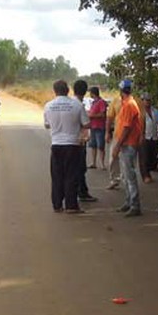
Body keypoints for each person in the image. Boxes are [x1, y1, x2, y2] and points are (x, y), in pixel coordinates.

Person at [43, 80, 90, 214]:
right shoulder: (76, 105)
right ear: (68, 90)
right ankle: (71, 205)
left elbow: (47, 125)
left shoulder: (48, 106)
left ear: (54, 90)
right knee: (71, 175)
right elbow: (86, 124)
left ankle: (57, 204)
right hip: (72, 143)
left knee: (57, 175)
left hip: (56, 143)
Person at [113, 79, 143, 217]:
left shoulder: (129, 105)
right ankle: (129, 202)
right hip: (128, 143)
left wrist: (117, 146)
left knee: (130, 176)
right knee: (126, 175)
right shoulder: (128, 104)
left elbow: (126, 128)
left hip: (128, 144)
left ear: (121, 91)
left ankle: (135, 205)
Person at [139, 92, 158, 183]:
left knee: (153, 156)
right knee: (144, 157)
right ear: (142, 101)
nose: (148, 102)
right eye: (146, 100)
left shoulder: (155, 111)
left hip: (154, 136)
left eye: (149, 100)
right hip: (144, 136)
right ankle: (145, 175)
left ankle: (149, 171)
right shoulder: (139, 112)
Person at [87, 86, 107, 170]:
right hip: (93, 126)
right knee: (93, 145)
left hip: (99, 126)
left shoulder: (101, 102)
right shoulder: (93, 102)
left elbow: (103, 114)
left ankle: (102, 164)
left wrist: (92, 115)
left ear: (93, 93)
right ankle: (94, 162)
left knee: (100, 146)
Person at [105, 96, 122, 189]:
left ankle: (127, 180)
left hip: (131, 136)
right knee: (113, 157)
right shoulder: (116, 100)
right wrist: (107, 132)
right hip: (117, 134)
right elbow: (110, 117)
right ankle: (114, 179)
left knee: (128, 160)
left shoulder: (135, 101)